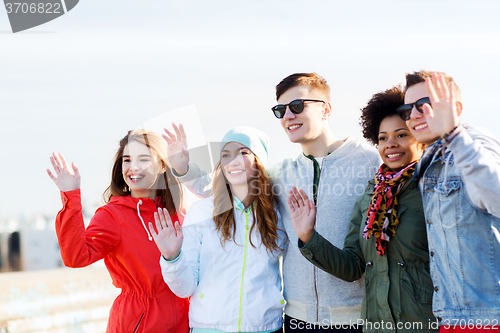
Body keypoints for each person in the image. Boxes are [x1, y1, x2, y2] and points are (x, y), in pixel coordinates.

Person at [164, 73, 381, 332]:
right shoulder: (282, 174)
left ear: (326, 109)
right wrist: (184, 169)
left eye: (297, 106)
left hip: (354, 316)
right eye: (281, 110)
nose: (288, 115)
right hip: (296, 319)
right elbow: (230, 184)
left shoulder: (369, 163)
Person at [288, 86, 438, 332]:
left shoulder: (434, 188)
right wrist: (308, 237)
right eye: (382, 138)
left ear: (419, 137)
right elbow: (353, 267)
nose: (390, 144)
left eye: (401, 135)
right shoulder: (371, 197)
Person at [47, 130, 190, 333]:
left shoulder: (179, 213)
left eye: (144, 159)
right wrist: (71, 197)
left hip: (184, 322)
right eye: (127, 160)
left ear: (162, 166)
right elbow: (76, 257)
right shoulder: (113, 215)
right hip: (137, 323)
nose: (134, 167)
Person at [150, 126, 285, 333]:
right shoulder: (202, 212)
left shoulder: (277, 214)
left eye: (243, 152)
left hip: (265, 327)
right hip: (210, 328)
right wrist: (172, 257)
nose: (233, 161)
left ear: (259, 162)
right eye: (226, 155)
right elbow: (185, 287)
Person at [399, 71, 500, 331]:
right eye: (406, 109)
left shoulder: (474, 142)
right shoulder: (430, 160)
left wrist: (454, 133)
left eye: (424, 105)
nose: (413, 115)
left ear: (455, 108)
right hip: (451, 318)